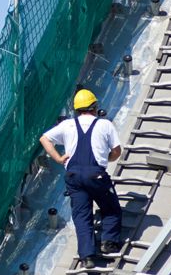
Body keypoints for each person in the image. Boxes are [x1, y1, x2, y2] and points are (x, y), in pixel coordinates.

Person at [40, 89, 123, 264]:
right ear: (95, 107)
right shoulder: (105, 125)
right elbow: (117, 151)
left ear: (76, 109)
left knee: (82, 216)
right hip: (96, 175)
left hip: (74, 176)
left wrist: (58, 158)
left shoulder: (67, 125)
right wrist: (106, 158)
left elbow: (44, 139)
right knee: (111, 208)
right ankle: (108, 242)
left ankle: (87, 256)